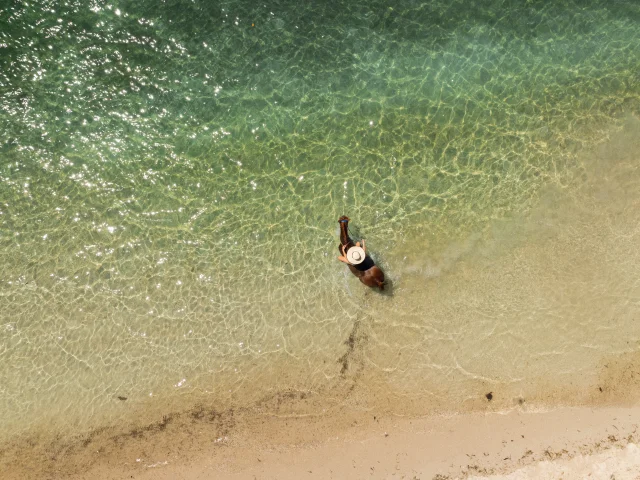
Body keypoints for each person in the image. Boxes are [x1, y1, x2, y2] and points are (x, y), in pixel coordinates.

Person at [337, 216, 385, 290]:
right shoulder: (364, 258)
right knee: (355, 243)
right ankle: (343, 223)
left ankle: (343, 224)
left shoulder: (354, 259)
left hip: (366, 267)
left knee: (345, 242)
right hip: (369, 269)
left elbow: (339, 258)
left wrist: (344, 251)